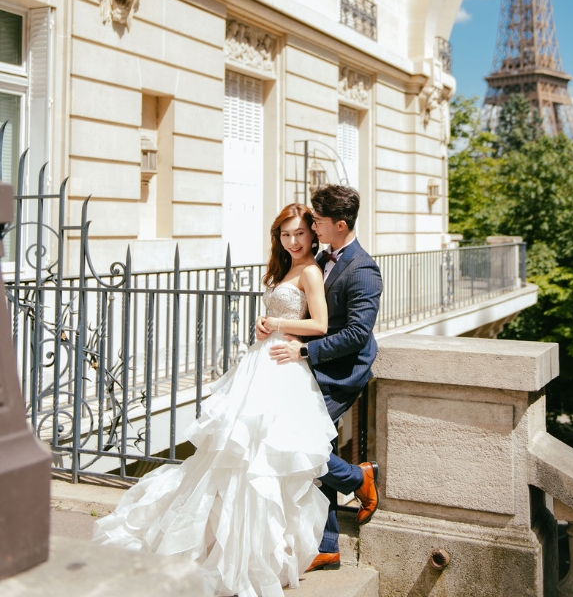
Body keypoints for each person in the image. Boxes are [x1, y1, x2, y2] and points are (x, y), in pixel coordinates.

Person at [94, 204, 338, 597]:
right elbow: (283, 316)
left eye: (299, 234)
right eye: (285, 235)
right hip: (261, 361)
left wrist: (275, 324)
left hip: (282, 367)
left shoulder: (310, 271)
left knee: (262, 461)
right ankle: (220, 545)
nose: (293, 241)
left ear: (312, 234)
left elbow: (320, 324)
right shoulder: (283, 269)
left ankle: (260, 556)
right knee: (230, 457)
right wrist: (266, 326)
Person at [258, 184, 382, 572]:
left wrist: (304, 350)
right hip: (308, 366)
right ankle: (327, 546)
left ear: (340, 225)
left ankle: (357, 480)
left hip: (340, 371)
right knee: (302, 442)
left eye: (318, 221)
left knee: (303, 444)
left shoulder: (363, 270)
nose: (311, 225)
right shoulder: (324, 256)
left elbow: (356, 335)